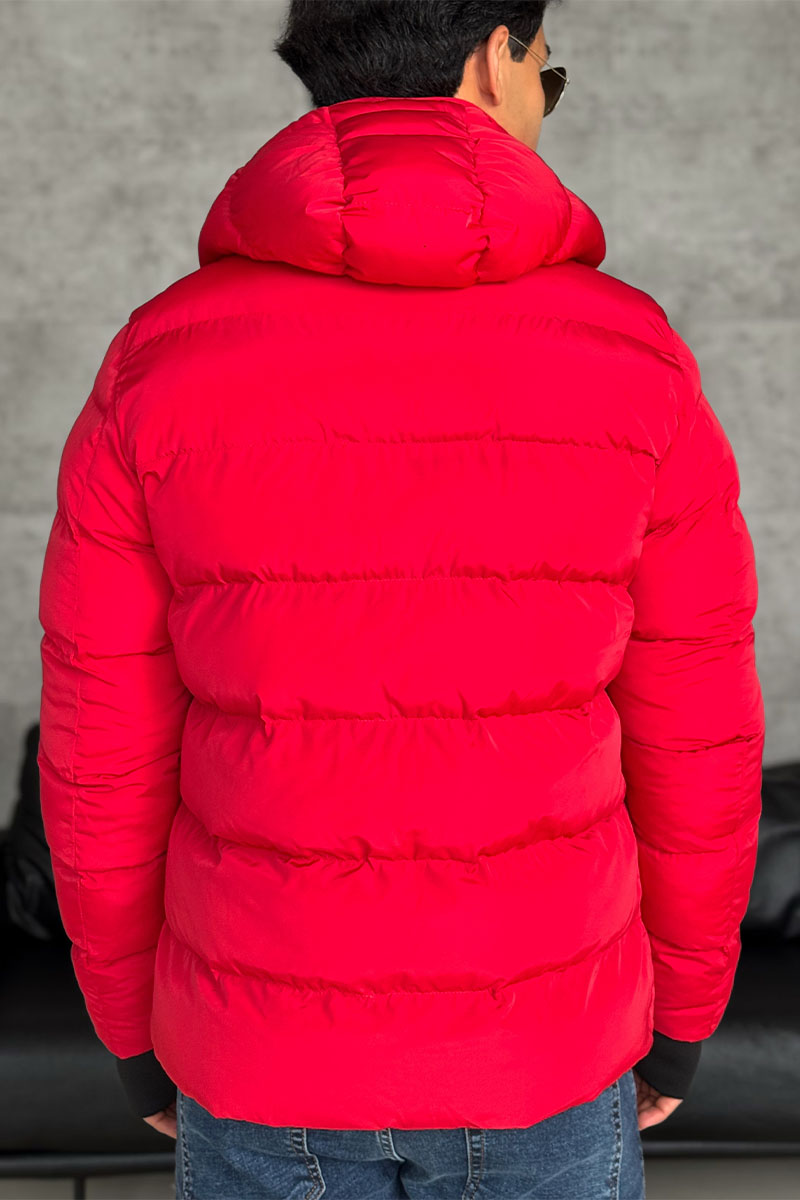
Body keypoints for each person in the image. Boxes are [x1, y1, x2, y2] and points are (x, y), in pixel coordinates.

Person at [36, 2, 765, 1197]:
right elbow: (696, 732)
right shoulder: (632, 356)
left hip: (258, 1053)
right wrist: (681, 1010)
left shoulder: (157, 360)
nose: (540, 102)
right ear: (492, 54)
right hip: (542, 1045)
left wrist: (131, 1027)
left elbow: (101, 747)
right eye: (545, 74)